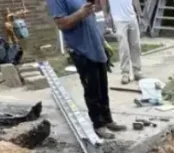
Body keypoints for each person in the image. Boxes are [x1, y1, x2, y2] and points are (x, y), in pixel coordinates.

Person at [46, 0, 127, 140]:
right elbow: (61, 24)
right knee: (92, 89)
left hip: (96, 45)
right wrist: (81, 13)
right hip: (81, 50)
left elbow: (91, 17)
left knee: (102, 87)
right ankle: (98, 124)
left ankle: (107, 119)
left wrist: (102, 43)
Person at [102, 0, 144, 84]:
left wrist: (140, 14)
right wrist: (105, 15)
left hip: (132, 18)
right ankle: (125, 73)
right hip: (119, 20)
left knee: (136, 46)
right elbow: (104, 2)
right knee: (123, 47)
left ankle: (137, 71)